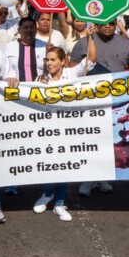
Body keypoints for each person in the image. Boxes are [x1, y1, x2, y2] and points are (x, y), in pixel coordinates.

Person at [33, 46, 77, 222]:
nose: (49, 63)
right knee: (49, 165)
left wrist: (91, 33)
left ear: (63, 61)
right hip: (48, 129)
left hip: (69, 129)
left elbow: (91, 60)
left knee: (63, 167)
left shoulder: (72, 75)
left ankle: (59, 203)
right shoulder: (40, 79)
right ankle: (47, 193)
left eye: (53, 60)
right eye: (47, 60)